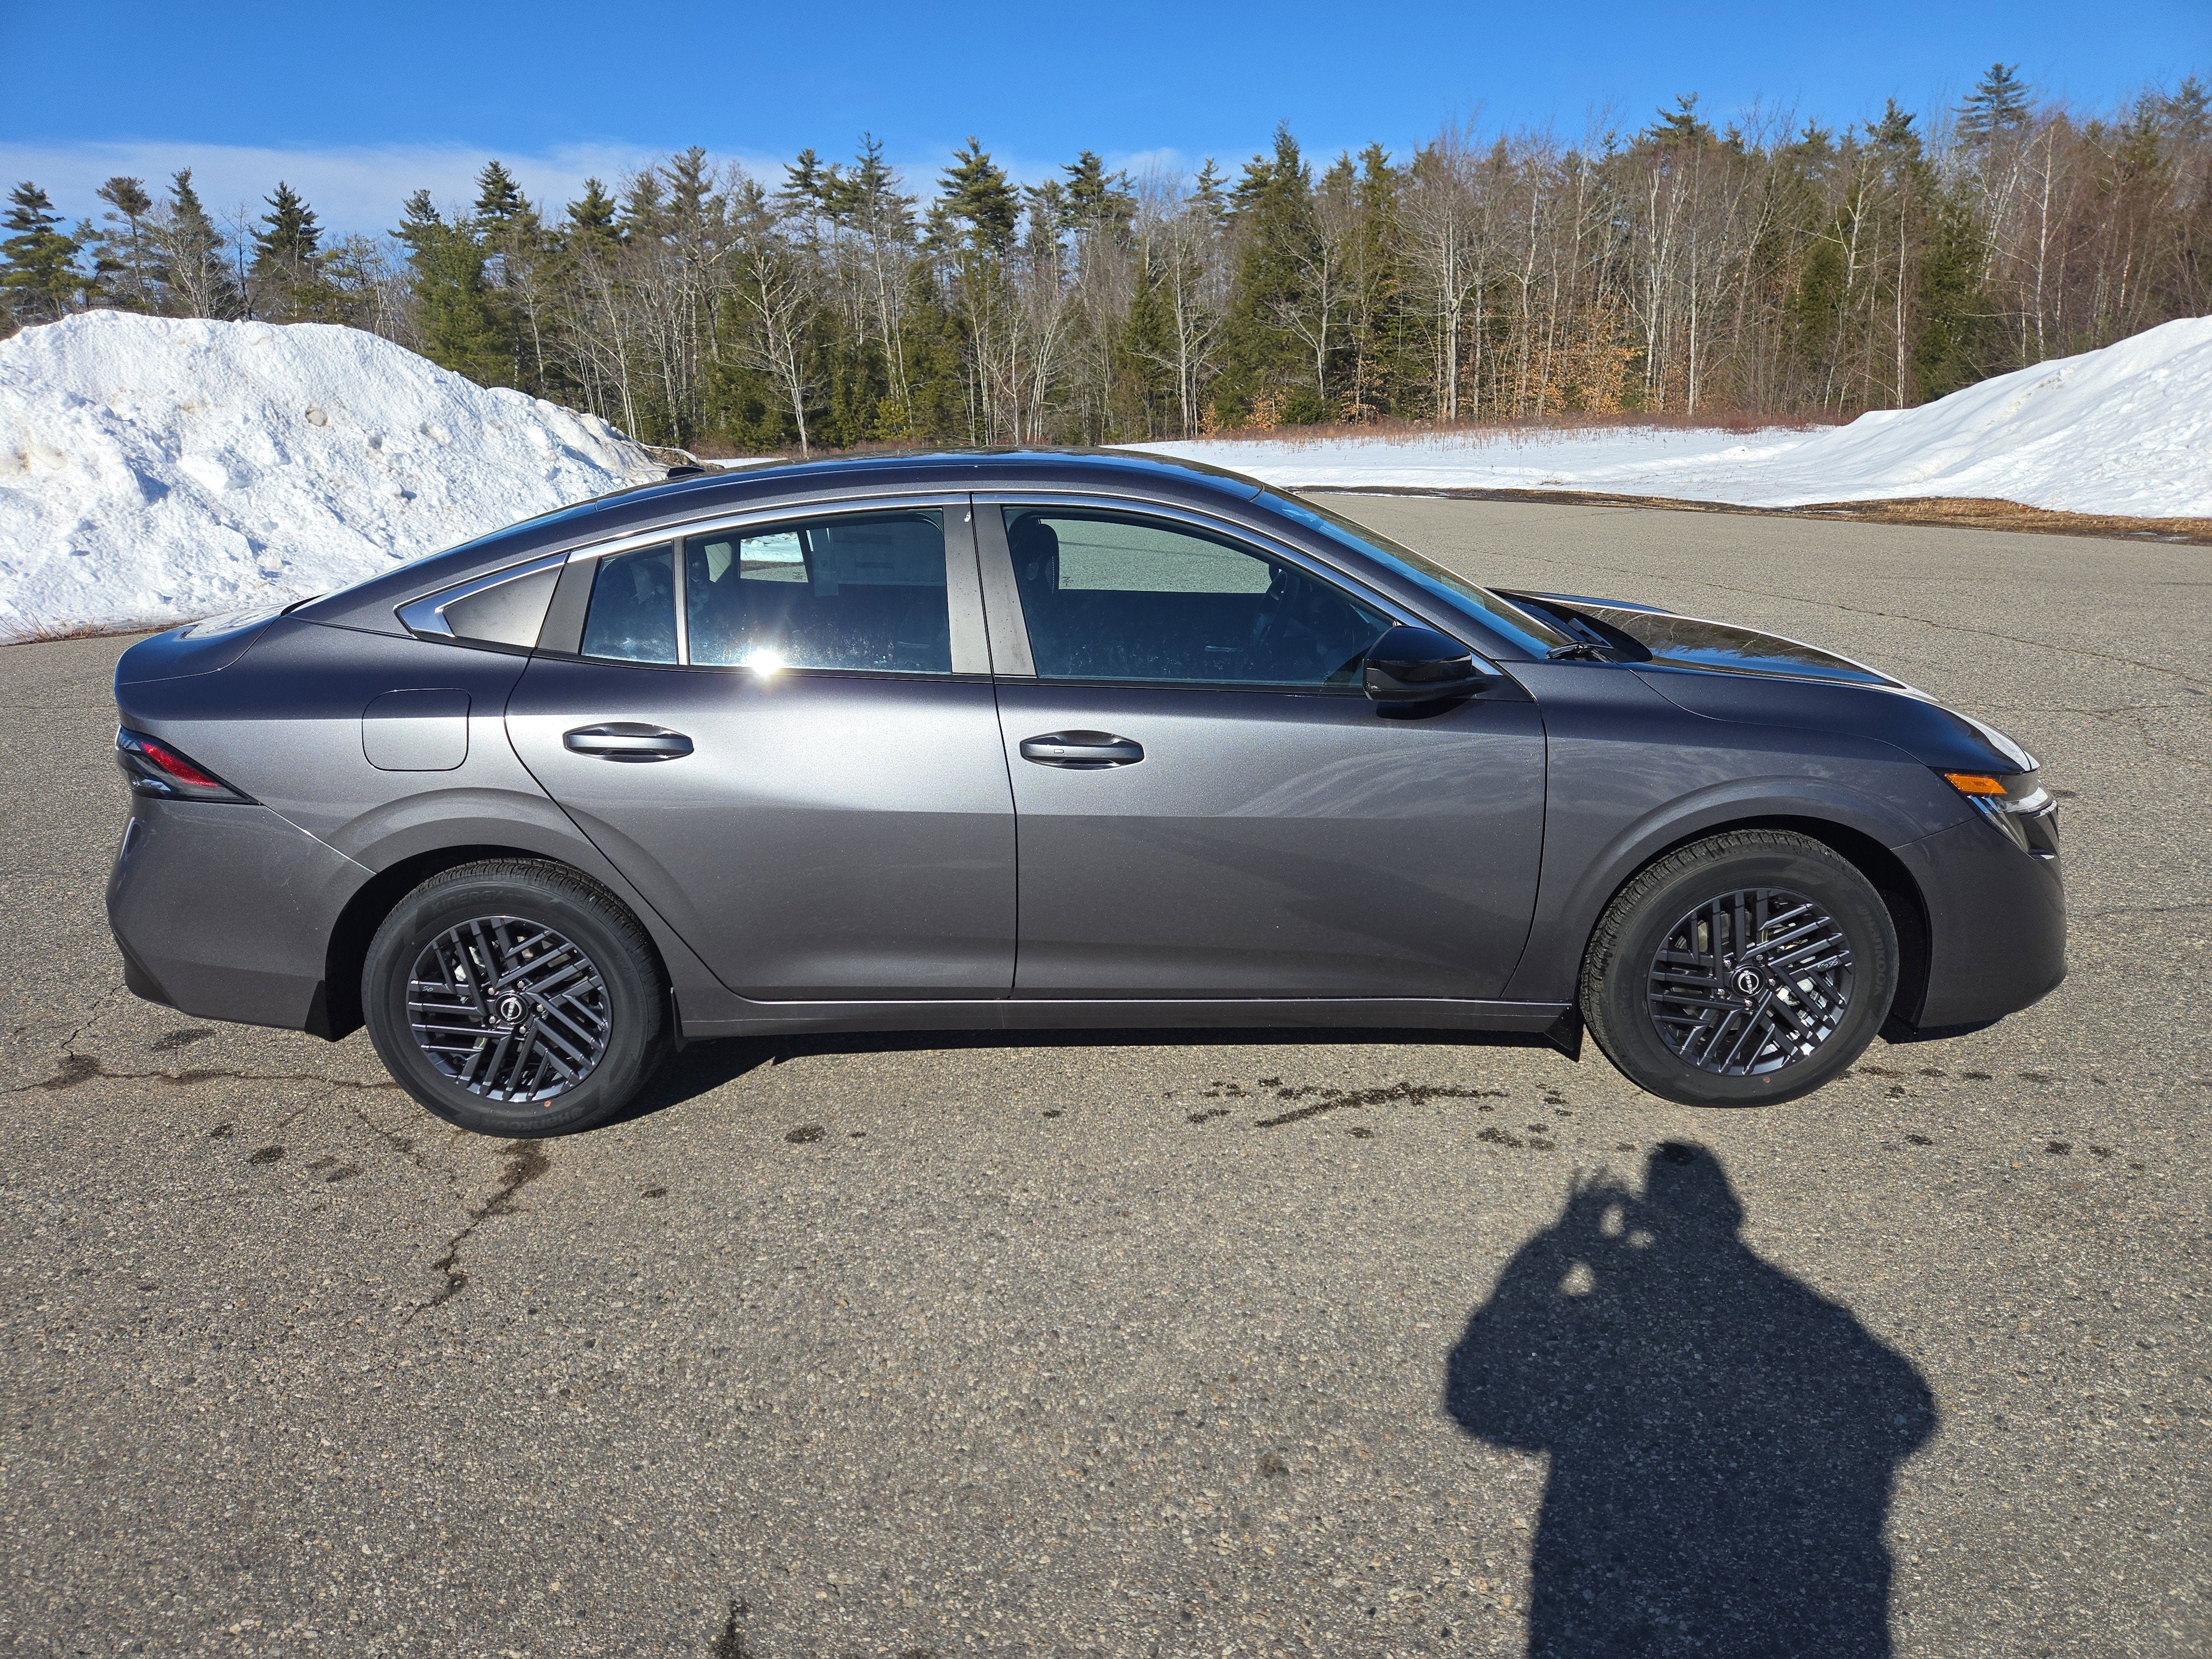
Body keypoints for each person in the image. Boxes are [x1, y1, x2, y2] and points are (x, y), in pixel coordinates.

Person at [1445, 1143, 1937, 1657]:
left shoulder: (1795, 1314)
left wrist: (1561, 1249)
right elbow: (1911, 1412)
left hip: (1627, 1576)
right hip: (1810, 1597)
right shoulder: (1811, 1316)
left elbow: (1478, 1403)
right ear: (1731, 1213)